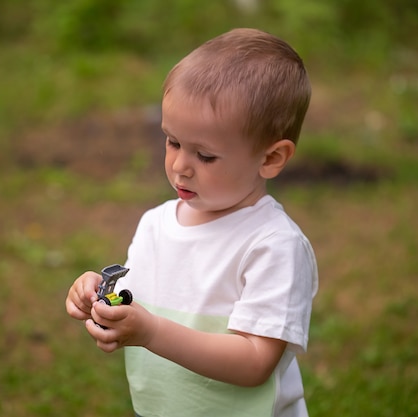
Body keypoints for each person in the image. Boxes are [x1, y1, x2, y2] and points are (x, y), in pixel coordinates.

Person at [66, 28, 318, 417]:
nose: (180, 166)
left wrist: (150, 332)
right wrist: (99, 295)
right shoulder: (156, 224)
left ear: (270, 159)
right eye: (172, 142)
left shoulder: (272, 245)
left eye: (205, 155)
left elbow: (254, 362)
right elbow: (136, 301)